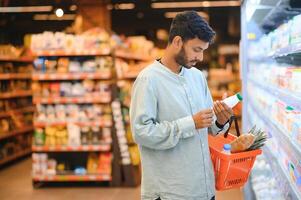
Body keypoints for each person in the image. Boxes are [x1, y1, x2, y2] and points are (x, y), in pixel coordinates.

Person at [130, 11, 233, 200]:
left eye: (203, 50)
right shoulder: (148, 80)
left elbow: (209, 127)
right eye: (196, 49)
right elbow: (141, 132)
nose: (201, 57)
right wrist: (190, 123)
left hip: (203, 189)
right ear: (177, 42)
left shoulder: (197, 77)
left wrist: (220, 120)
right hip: (171, 193)